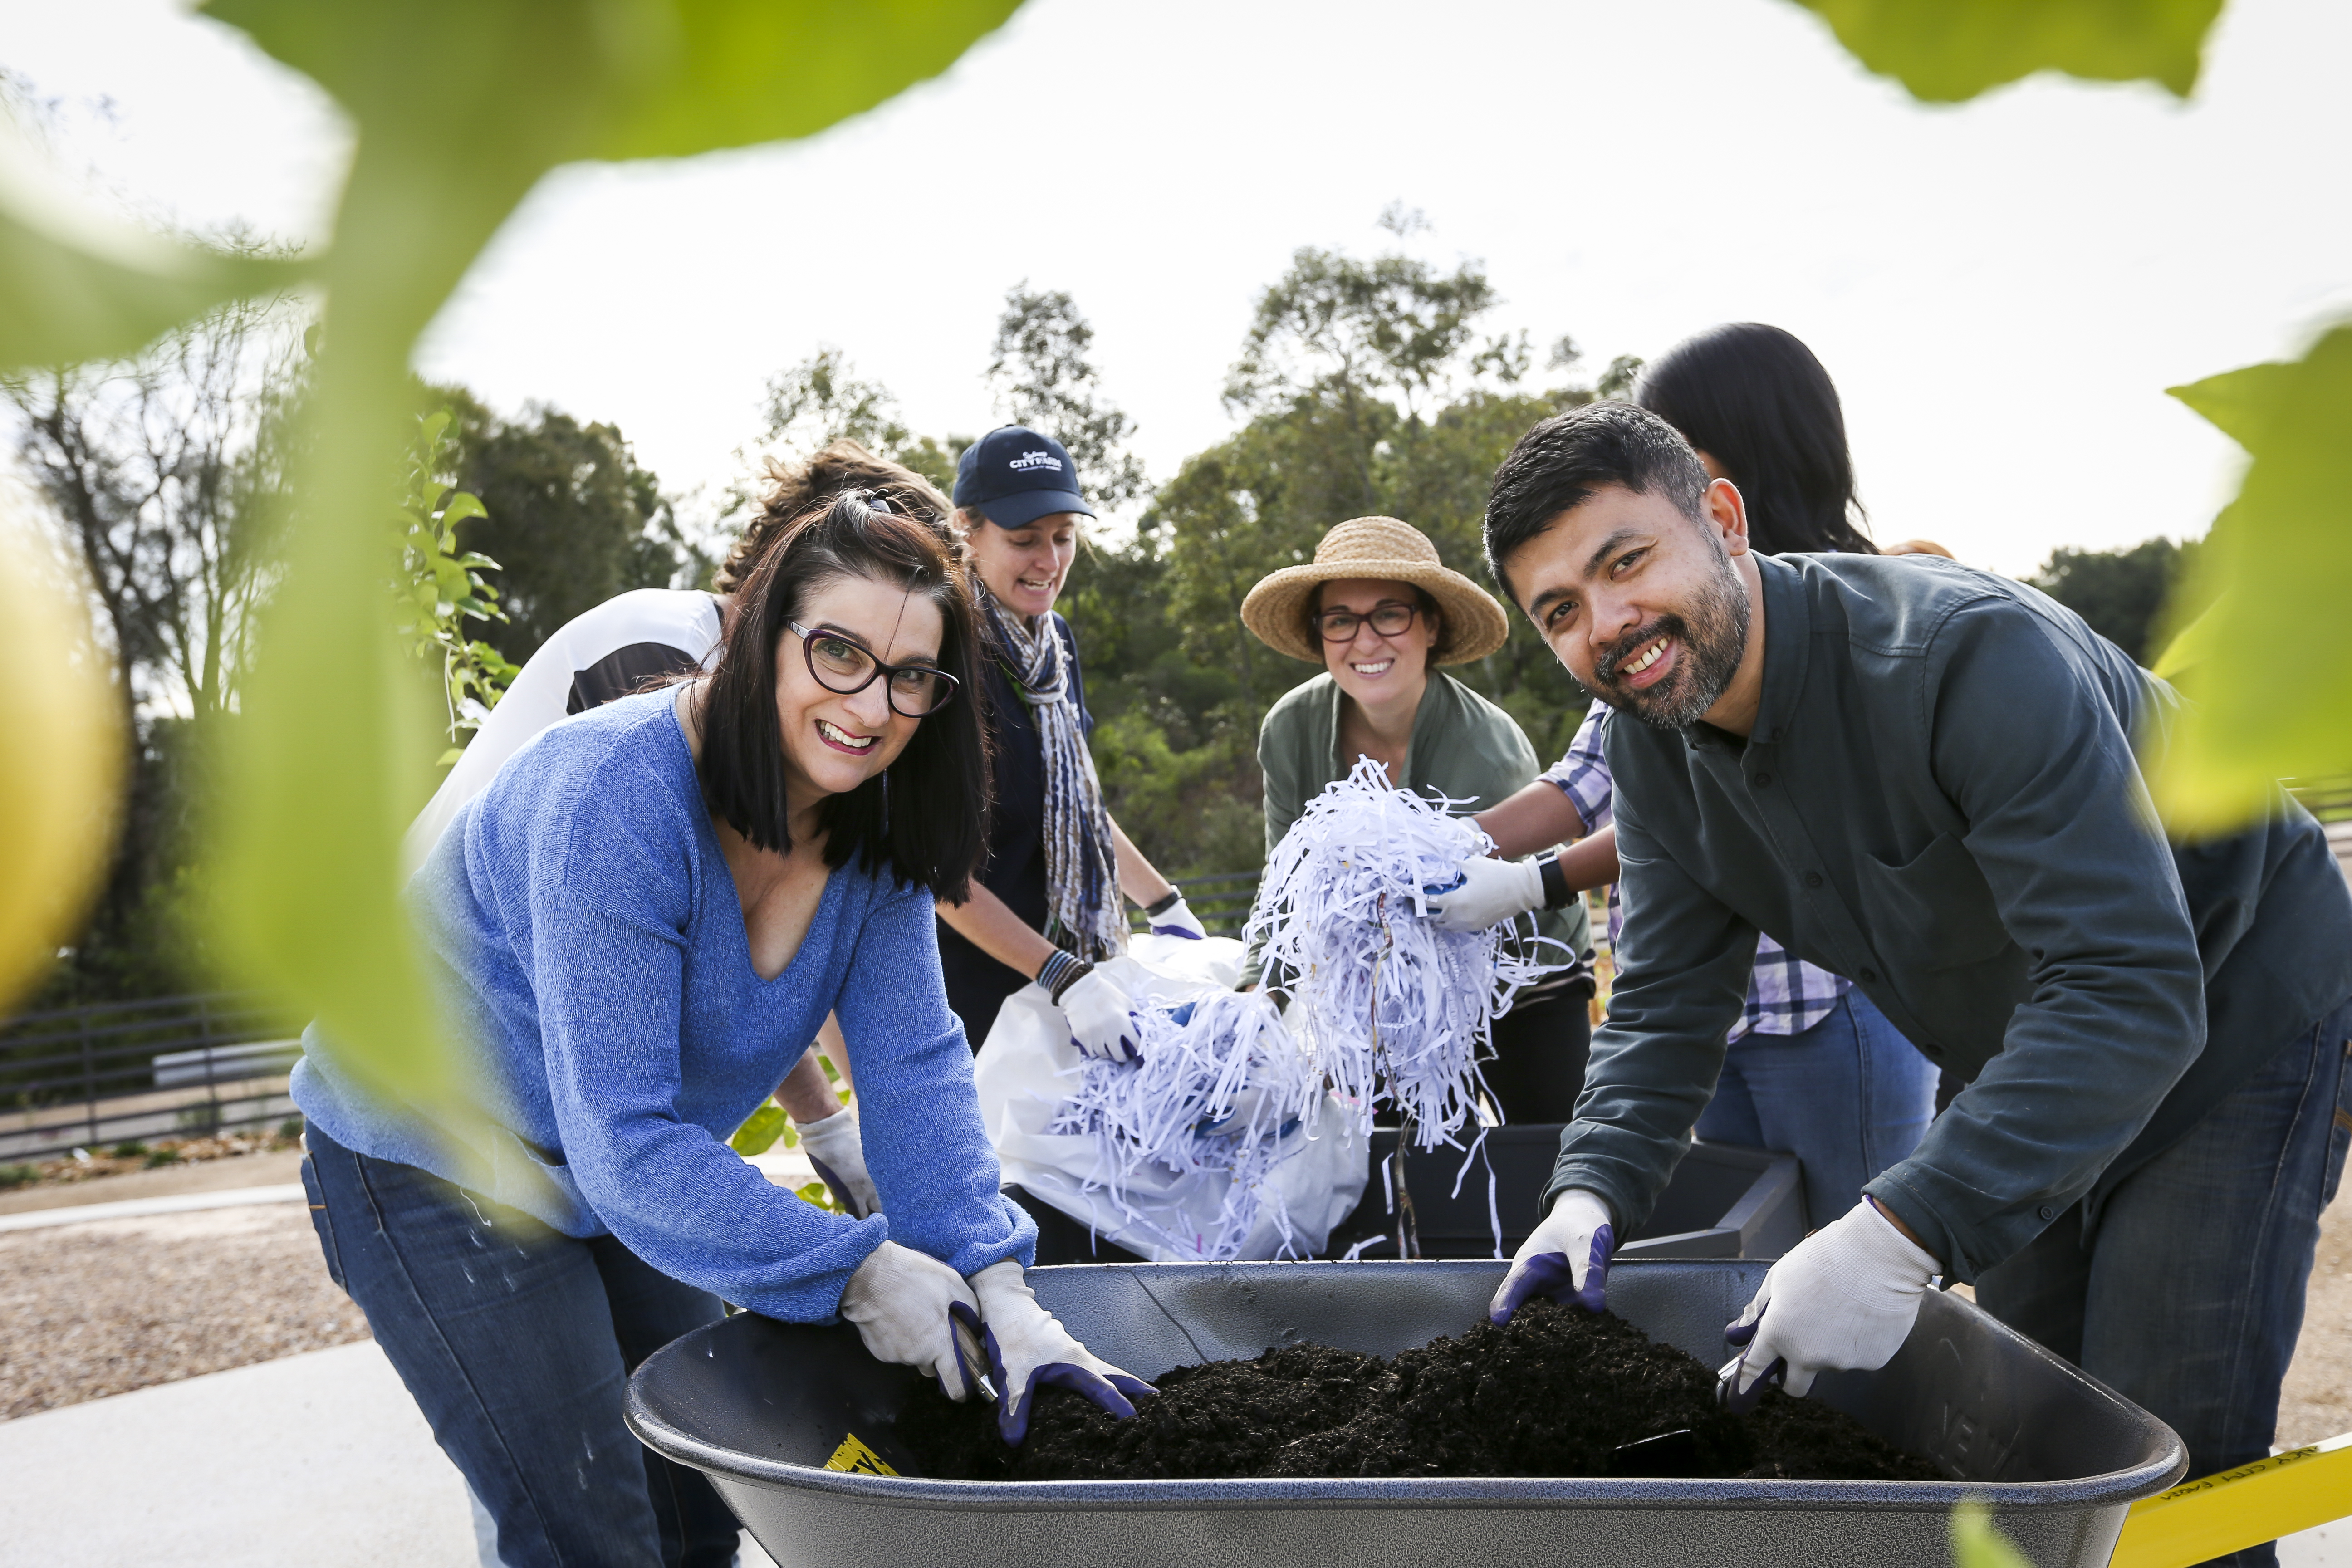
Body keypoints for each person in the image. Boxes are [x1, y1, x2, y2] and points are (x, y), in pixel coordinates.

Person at [1481, 402, 2352, 1567]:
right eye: (1561, 612)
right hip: (2024, 1046)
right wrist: (1586, 1194)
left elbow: (2131, 984)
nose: (1609, 625)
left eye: (1625, 562)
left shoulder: (1961, 659)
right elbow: (1664, 1002)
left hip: (2234, 1002)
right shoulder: (1650, 746)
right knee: (2043, 1428)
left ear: (1723, 521)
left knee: (2161, 1453)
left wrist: (1894, 1236)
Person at [295, 492, 1149, 1568]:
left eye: (910, 676)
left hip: (610, 1163)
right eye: (837, 652)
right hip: (428, 1146)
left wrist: (1000, 1288)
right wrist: (858, 1272)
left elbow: (914, 1066)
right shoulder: (618, 797)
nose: (870, 703)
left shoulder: (874, 821)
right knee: (590, 1532)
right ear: (761, 637)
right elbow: (628, 1138)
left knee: (707, 1501)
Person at [1428, 323, 1937, 1226]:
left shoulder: (1858, 607)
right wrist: (1434, 850)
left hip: (1828, 1004)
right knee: (1750, 1259)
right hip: (1711, 1020)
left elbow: (1734, 811)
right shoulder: (1650, 616)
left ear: (1742, 451)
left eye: (1668, 433)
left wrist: (1534, 883)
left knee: (1859, 1253)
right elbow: (1584, 780)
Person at [397, 440, 951, 1219]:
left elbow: (767, 946)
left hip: (551, 1050)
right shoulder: (672, 666)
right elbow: (705, 941)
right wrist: (827, 1126)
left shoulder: (804, 714)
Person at [1240, 515, 1596, 1122]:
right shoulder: (1289, 731)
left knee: (1544, 1155)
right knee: (1395, 1176)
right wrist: (1258, 993)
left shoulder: (1487, 747)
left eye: (1390, 614)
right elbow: (1287, 885)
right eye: (1340, 620)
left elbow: (1494, 907)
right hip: (1376, 990)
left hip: (1523, 976)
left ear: (1431, 625)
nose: (1366, 640)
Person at [932, 425, 1201, 1060]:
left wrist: (1165, 903)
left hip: (1070, 978)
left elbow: (1074, 801)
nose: (1049, 562)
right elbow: (935, 870)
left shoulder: (1054, 646)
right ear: (967, 530)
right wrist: (1062, 977)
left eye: (1063, 537)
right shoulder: (943, 656)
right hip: (974, 992)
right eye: (1024, 540)